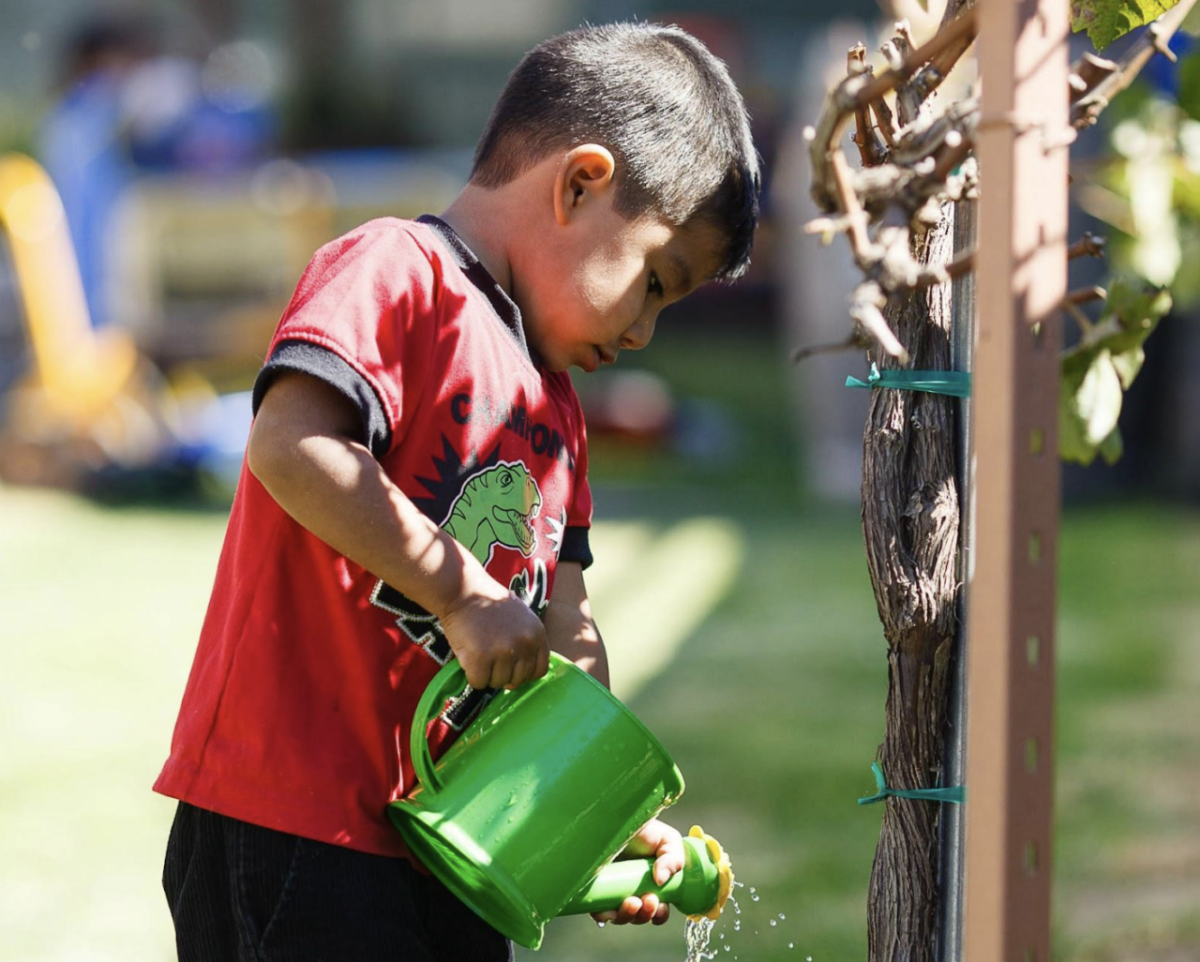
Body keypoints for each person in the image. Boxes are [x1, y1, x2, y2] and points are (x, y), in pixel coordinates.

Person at [153, 21, 760, 962]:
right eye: (653, 283)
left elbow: (564, 615)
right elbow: (291, 441)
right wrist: (461, 592)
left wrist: (584, 806)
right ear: (580, 183)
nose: (644, 332)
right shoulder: (398, 272)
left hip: (452, 841)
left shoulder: (557, 406)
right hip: (295, 821)